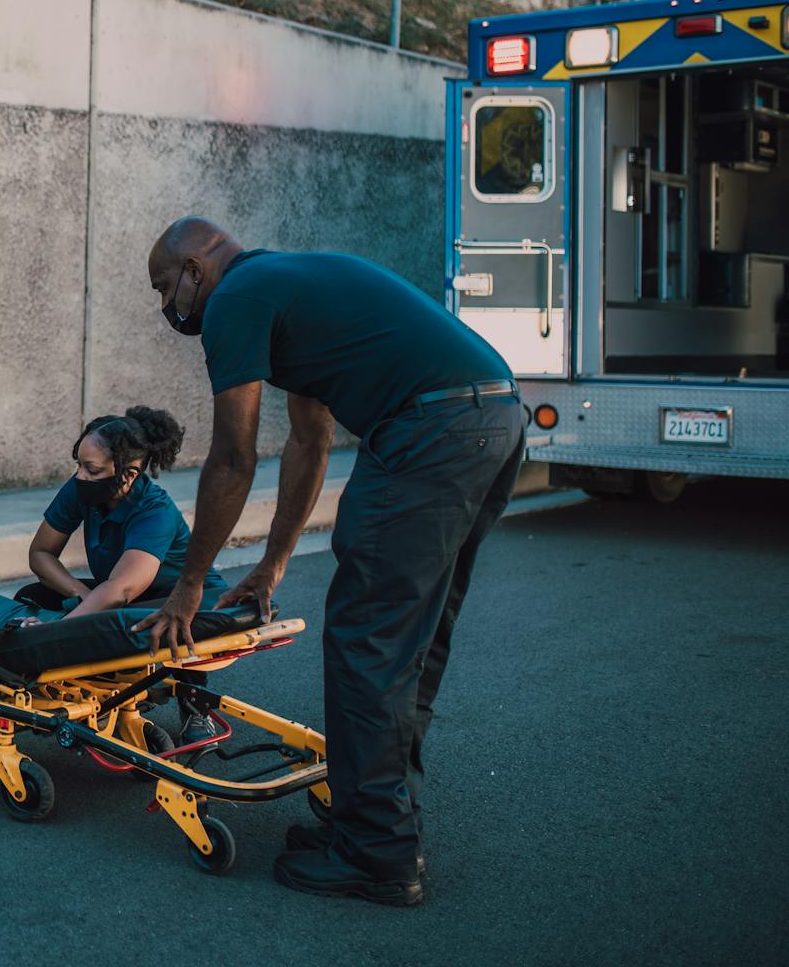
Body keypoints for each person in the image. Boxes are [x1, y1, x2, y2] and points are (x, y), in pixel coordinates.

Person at [139, 218, 524, 908]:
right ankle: (370, 819)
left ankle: (377, 854)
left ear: (196, 270)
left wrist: (189, 584)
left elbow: (233, 455)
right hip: (492, 416)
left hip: (428, 431)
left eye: (165, 286)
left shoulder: (236, 299)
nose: (167, 305)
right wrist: (272, 564)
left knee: (367, 641)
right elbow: (311, 442)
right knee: (412, 637)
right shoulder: (289, 283)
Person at [15, 406, 227, 748]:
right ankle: (91, 687)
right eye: (79, 466)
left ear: (128, 474)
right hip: (119, 594)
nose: (80, 476)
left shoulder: (155, 511)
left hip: (172, 600)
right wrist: (80, 593)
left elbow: (123, 589)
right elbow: (40, 554)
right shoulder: (82, 488)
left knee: (161, 622)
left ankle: (192, 702)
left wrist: (55, 631)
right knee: (33, 596)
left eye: (91, 469)